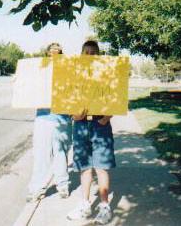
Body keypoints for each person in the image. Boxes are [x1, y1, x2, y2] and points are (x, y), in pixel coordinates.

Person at [67, 40, 115, 225]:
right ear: (81, 54)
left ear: (99, 55)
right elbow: (67, 98)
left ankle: (104, 207)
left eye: (93, 52)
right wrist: (74, 115)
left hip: (100, 125)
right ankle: (85, 205)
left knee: (101, 167)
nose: (89, 55)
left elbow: (116, 97)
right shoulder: (74, 76)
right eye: (86, 52)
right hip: (80, 126)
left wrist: (107, 116)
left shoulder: (107, 75)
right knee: (84, 167)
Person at [27, 43, 72, 201]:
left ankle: (63, 185)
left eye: (57, 53)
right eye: (52, 53)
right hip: (44, 117)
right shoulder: (40, 72)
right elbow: (27, 88)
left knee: (61, 153)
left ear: (60, 54)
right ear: (47, 54)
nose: (54, 55)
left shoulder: (68, 72)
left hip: (62, 118)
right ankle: (36, 189)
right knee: (41, 154)